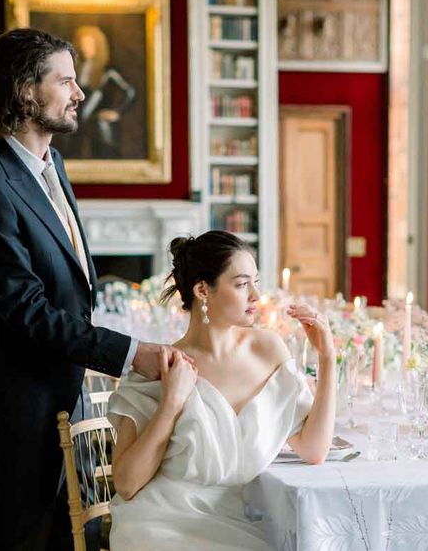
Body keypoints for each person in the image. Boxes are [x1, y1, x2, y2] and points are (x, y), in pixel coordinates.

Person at [0, 28, 183, 551]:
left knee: (71, 530)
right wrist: (128, 353)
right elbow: (28, 311)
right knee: (25, 535)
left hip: (65, 385)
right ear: (28, 92)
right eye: (67, 81)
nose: (79, 93)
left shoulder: (50, 163)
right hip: (21, 398)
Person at [107, 231, 337, 550]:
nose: (256, 295)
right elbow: (127, 484)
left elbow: (314, 449)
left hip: (234, 520)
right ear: (203, 290)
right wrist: (172, 402)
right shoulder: (159, 367)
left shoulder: (268, 350)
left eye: (255, 282)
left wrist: (327, 358)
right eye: (242, 284)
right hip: (158, 524)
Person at [54, 24, 136, 160]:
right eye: (83, 44)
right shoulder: (77, 69)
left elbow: (130, 92)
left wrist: (117, 112)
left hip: (96, 122)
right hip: (78, 120)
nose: (85, 48)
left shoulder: (109, 71)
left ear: (98, 45)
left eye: (89, 44)